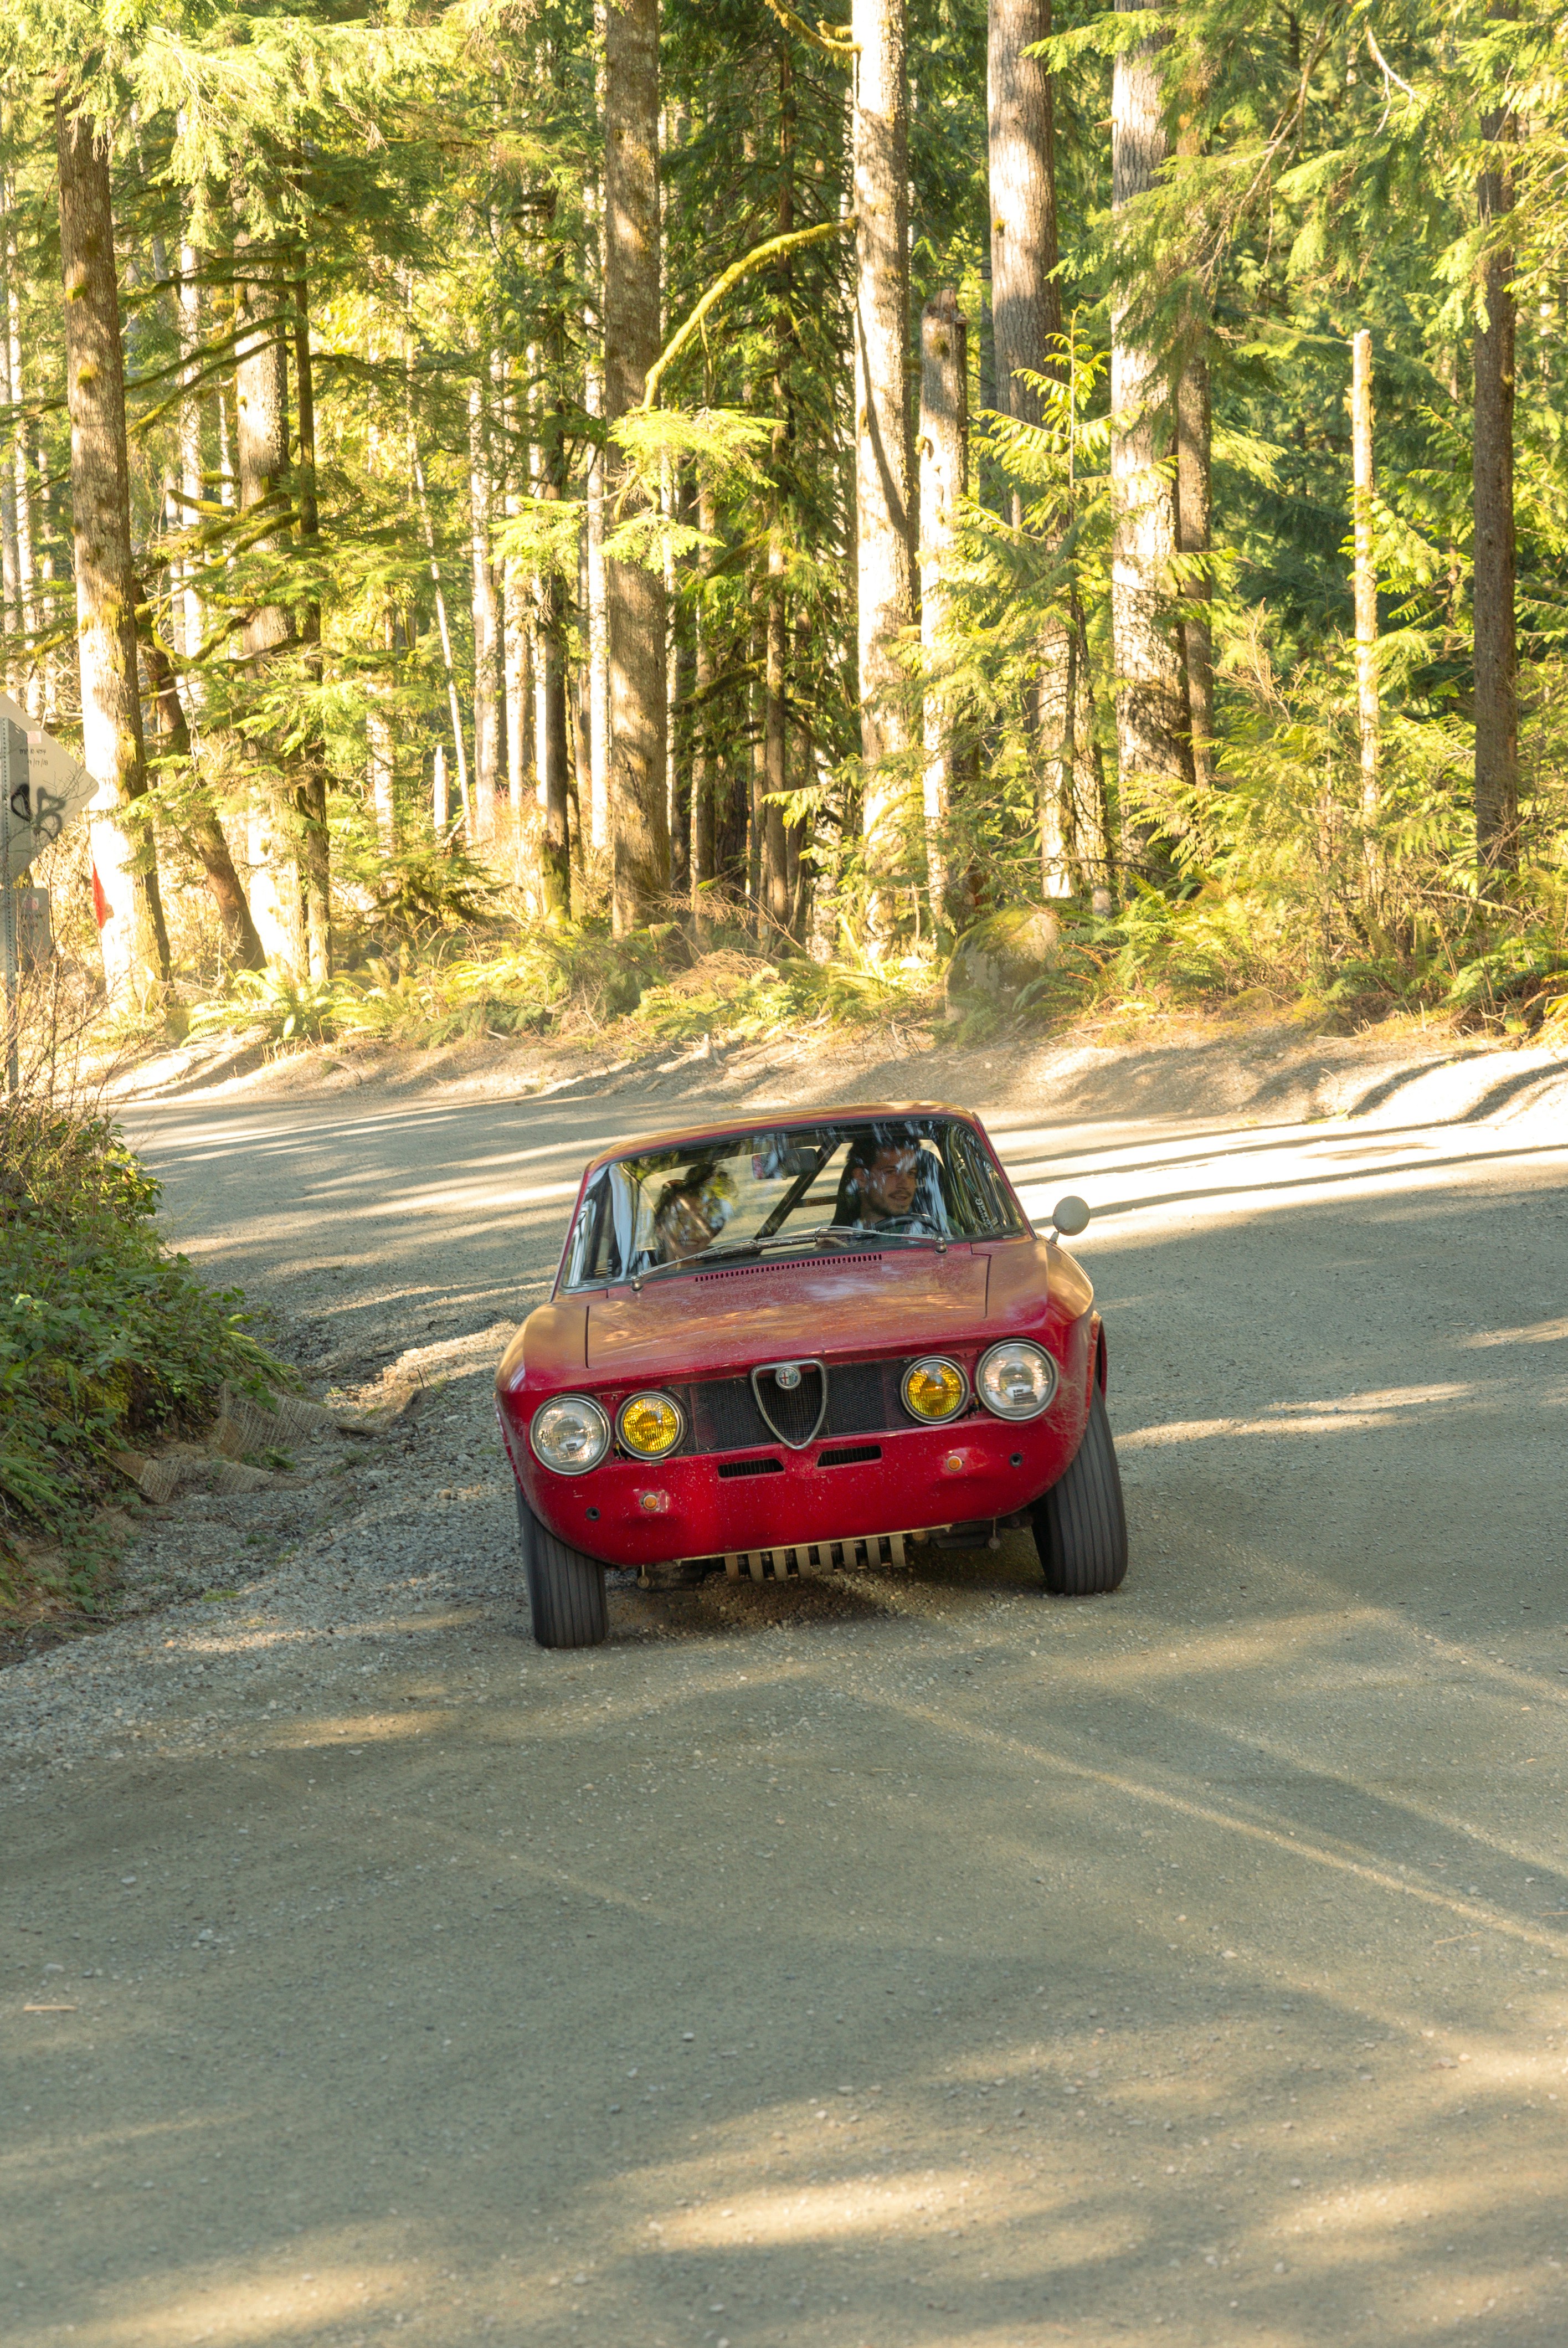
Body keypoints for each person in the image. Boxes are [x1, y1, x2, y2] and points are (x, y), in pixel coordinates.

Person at [840, 1133, 932, 1229]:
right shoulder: (838, 1240)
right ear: (862, 1177)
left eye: (911, 1173)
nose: (905, 1184)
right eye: (891, 1172)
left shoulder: (936, 1232)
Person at [651, 1167, 735, 1264]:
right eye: (680, 1219)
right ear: (660, 1229)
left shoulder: (735, 1270)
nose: (691, 1227)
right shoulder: (639, 1277)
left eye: (701, 1219)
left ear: (712, 1231)